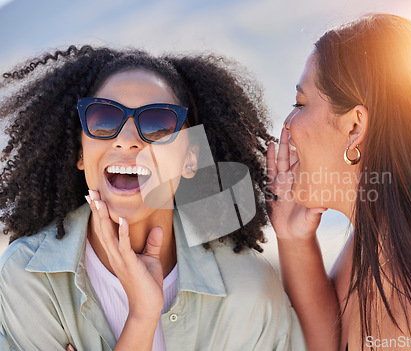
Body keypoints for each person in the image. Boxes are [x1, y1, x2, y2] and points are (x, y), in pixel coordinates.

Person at [0, 46, 305, 350]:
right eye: (104, 119)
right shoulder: (28, 277)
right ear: (80, 151)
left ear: (190, 158)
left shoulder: (248, 289)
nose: (127, 140)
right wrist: (142, 316)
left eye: (158, 124)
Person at [266, 13, 411, 351]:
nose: (287, 126)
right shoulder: (377, 246)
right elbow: (328, 341)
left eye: (300, 104)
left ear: (355, 127)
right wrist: (293, 238)